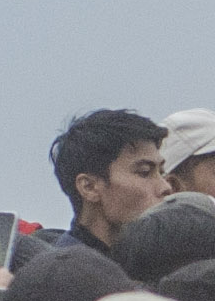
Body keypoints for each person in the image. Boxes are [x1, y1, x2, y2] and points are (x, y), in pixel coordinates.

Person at [42, 111, 168, 259]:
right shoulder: (63, 276)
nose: (166, 187)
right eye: (144, 172)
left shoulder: (153, 264)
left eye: (162, 172)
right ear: (88, 187)